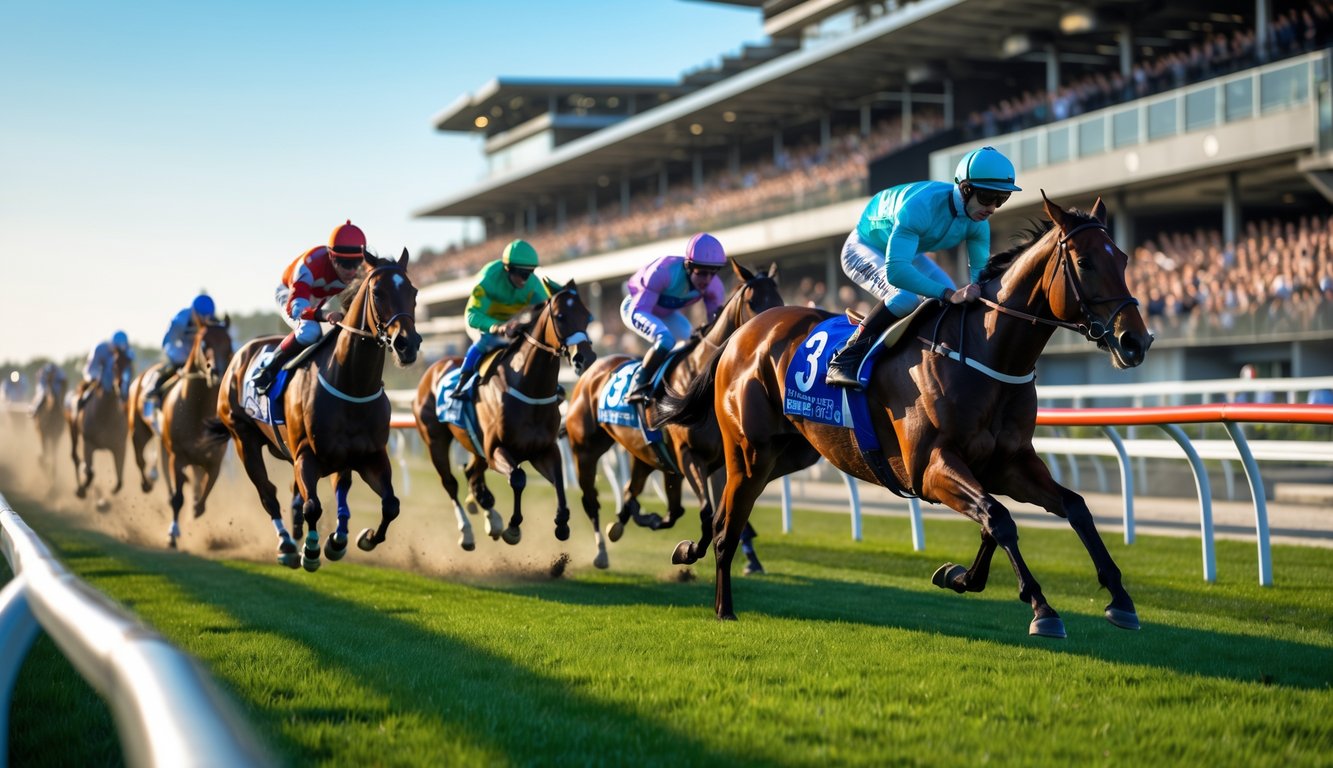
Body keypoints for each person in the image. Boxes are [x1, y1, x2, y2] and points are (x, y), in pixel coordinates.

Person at [826, 146, 1021, 389]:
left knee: (949, 306)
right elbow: (896, 272)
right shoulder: (920, 207)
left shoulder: (978, 224)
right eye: (987, 197)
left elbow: (979, 281)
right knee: (908, 297)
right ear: (966, 189)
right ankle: (845, 358)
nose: (992, 208)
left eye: (1001, 199)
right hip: (864, 247)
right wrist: (950, 293)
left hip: (909, 250)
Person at [253, 220, 365, 394]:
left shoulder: (361, 269)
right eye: (344, 263)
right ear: (332, 257)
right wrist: (323, 314)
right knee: (310, 331)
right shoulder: (310, 265)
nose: (351, 271)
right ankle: (269, 368)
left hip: (320, 298)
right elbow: (296, 309)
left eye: (356, 263)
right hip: (292, 295)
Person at [620, 232, 727, 404]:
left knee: (692, 344)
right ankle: (638, 383)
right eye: (701, 272)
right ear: (688, 266)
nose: (706, 279)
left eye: (712, 272)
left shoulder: (714, 288)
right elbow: (642, 309)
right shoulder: (663, 272)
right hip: (637, 308)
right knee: (665, 339)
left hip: (666, 314)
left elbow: (716, 327)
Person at [452, 239, 562, 400]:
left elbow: (548, 311)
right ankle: (463, 385)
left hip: (510, 322)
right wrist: (496, 327)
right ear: (507, 268)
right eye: (522, 274)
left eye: (530, 273)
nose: (526, 279)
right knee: (486, 341)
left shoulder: (533, 284)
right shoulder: (488, 279)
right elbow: (472, 316)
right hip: (483, 322)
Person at [146, 293, 217, 409]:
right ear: (193, 312)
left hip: (203, 359)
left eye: (207, 318)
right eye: (200, 317)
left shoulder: (213, 321)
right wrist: (183, 358)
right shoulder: (180, 320)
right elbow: (168, 342)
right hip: (180, 356)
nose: (204, 322)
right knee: (168, 370)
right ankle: (155, 391)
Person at [78, 331, 134, 404]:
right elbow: (91, 369)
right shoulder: (99, 349)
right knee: (87, 394)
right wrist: (98, 377)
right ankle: (81, 405)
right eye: (117, 349)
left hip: (116, 382)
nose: (119, 352)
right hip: (96, 379)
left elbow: (127, 370)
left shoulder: (128, 353)